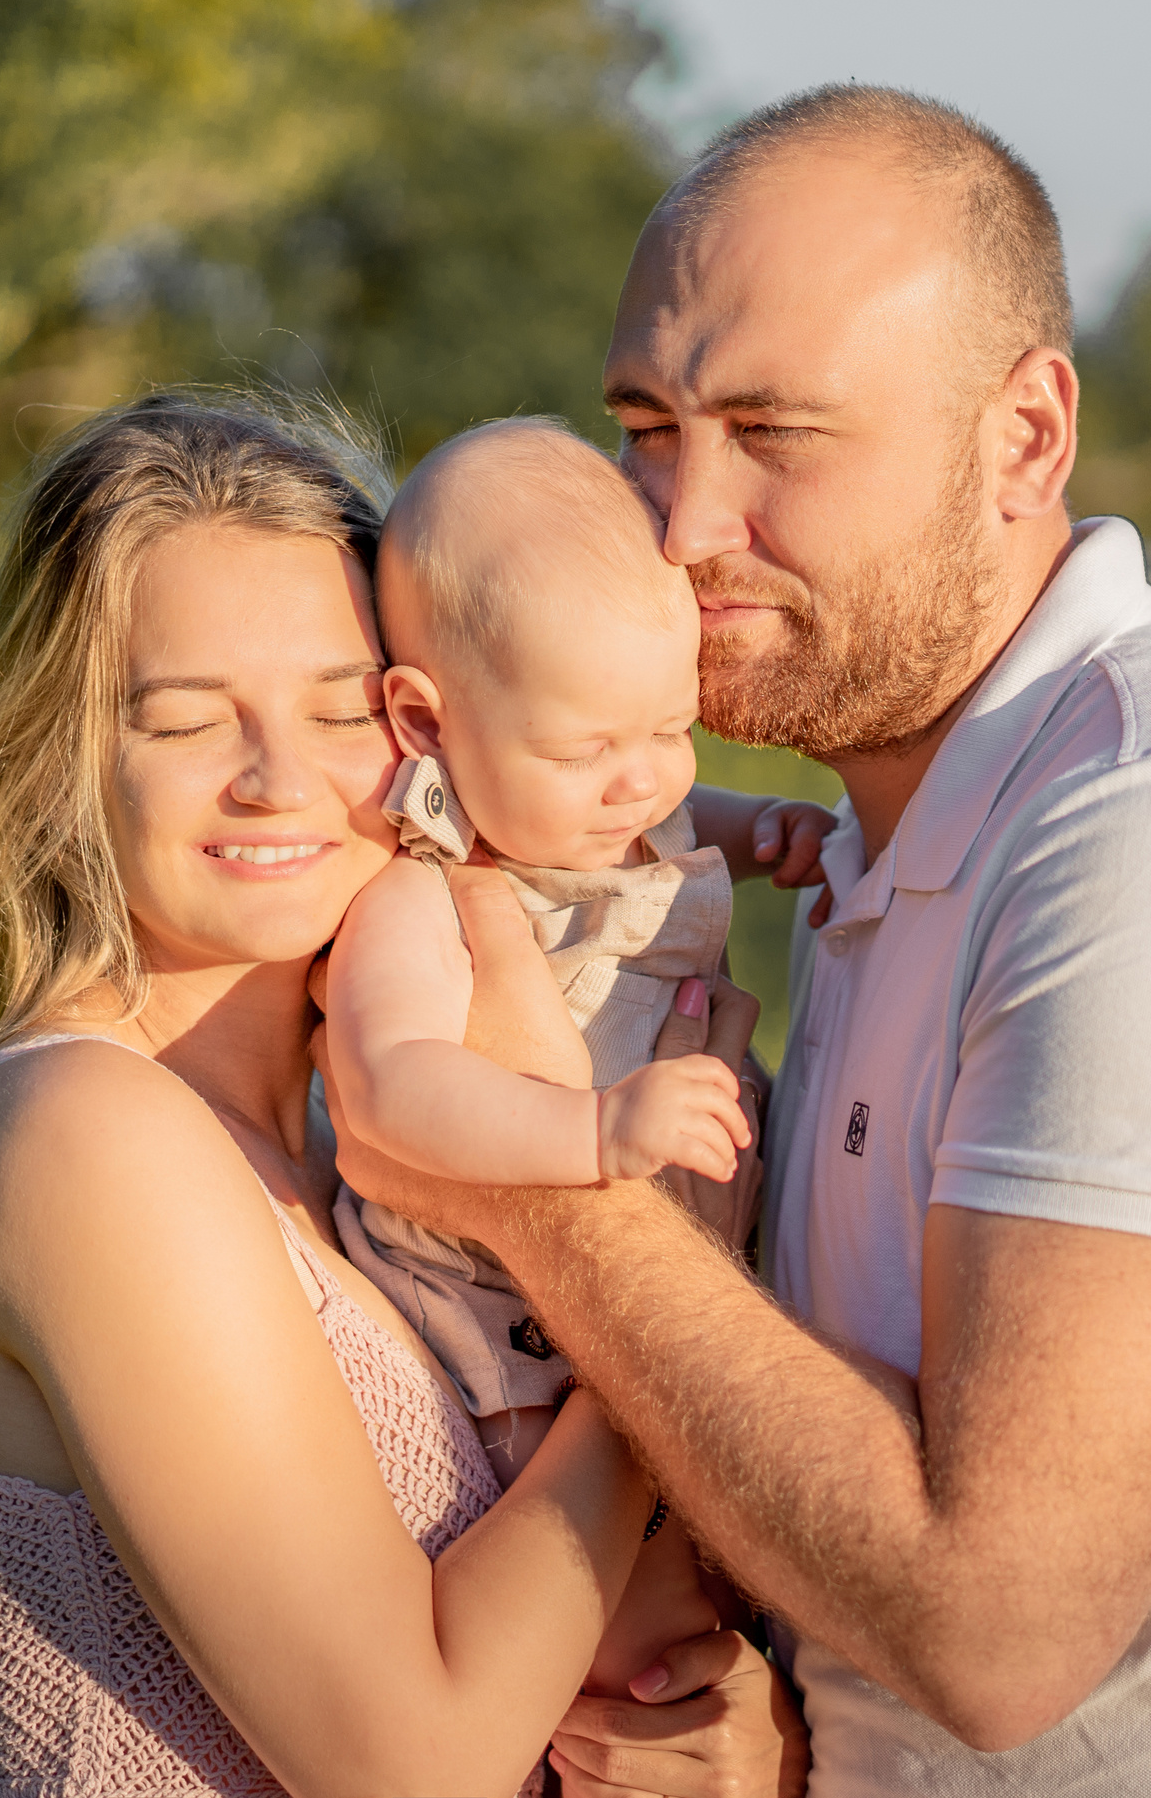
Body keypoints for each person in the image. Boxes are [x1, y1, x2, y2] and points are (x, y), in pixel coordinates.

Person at [324, 86, 1151, 1794]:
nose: (677, 522)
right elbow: (861, 1504)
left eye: (774, 431)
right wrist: (782, 1736)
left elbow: (993, 1628)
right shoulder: (884, 826)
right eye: (650, 426)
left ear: (1024, 439)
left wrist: (522, 1181)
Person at [0, 394, 802, 1797]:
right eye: (187, 721)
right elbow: (411, 1764)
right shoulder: (86, 1135)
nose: (279, 780)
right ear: (62, 763)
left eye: (335, 708)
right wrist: (673, 1279)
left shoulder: (340, 1140)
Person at [323, 412, 834, 1694]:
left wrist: (755, 821)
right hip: (510, 1342)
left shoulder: (616, 801)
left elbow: (654, 796)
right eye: (584, 749)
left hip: (664, 1290)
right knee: (623, 1624)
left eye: (671, 728)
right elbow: (391, 1088)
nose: (641, 784)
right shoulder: (426, 897)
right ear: (426, 720)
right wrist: (594, 1137)